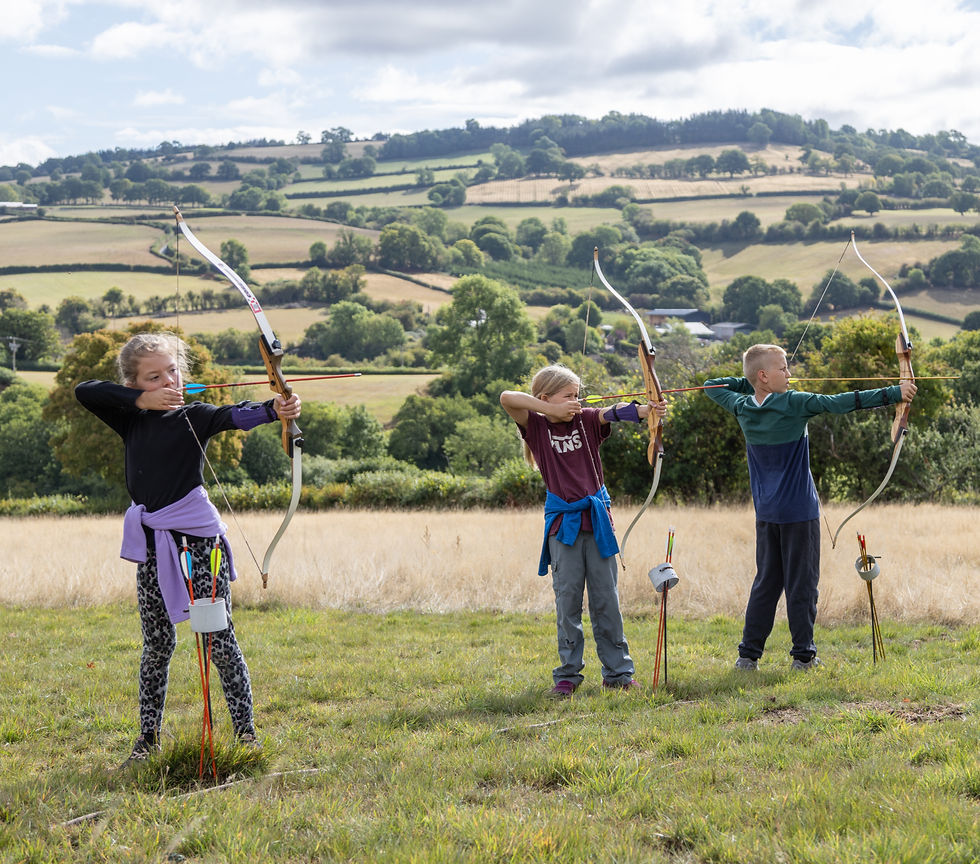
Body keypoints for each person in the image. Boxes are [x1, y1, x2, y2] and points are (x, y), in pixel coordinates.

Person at [75, 332, 302, 764]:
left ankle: (246, 736)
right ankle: (146, 742)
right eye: (154, 376)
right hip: (154, 545)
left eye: (174, 371)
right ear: (134, 384)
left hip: (201, 544)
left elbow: (234, 415)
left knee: (218, 637)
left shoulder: (195, 414)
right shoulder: (130, 418)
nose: (168, 381)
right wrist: (139, 403)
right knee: (157, 644)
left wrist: (276, 409)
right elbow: (85, 391)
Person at [704, 343, 916, 671]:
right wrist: (894, 393)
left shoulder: (742, 407)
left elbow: (713, 386)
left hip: (767, 513)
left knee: (766, 583)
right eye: (783, 368)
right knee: (802, 584)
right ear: (764, 375)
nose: (789, 374)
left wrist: (750, 384)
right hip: (799, 514)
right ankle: (804, 657)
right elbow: (843, 403)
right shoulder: (795, 403)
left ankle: (747, 657)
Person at [500, 365, 668, 696]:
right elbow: (507, 398)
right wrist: (550, 410)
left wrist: (648, 410)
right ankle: (567, 675)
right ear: (545, 398)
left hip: (598, 523)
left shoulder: (586, 420)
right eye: (569, 396)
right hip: (564, 527)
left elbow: (613, 412)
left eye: (578, 395)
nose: (576, 402)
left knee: (606, 599)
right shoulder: (535, 426)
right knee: (568, 602)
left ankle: (618, 673)